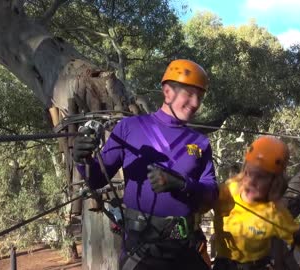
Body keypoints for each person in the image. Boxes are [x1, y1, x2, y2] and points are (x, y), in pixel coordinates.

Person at [73, 59, 218, 270]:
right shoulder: (129, 128)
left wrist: (183, 184)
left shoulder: (200, 142)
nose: (195, 103)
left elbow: (212, 194)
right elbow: (96, 179)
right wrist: (82, 159)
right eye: (189, 93)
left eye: (200, 96)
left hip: (186, 249)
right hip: (141, 249)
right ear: (167, 91)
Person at [211, 136, 300, 270]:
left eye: (260, 177)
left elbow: (299, 240)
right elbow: (199, 203)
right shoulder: (226, 193)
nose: (251, 182)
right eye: (248, 173)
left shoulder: (275, 212)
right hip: (224, 265)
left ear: (274, 182)